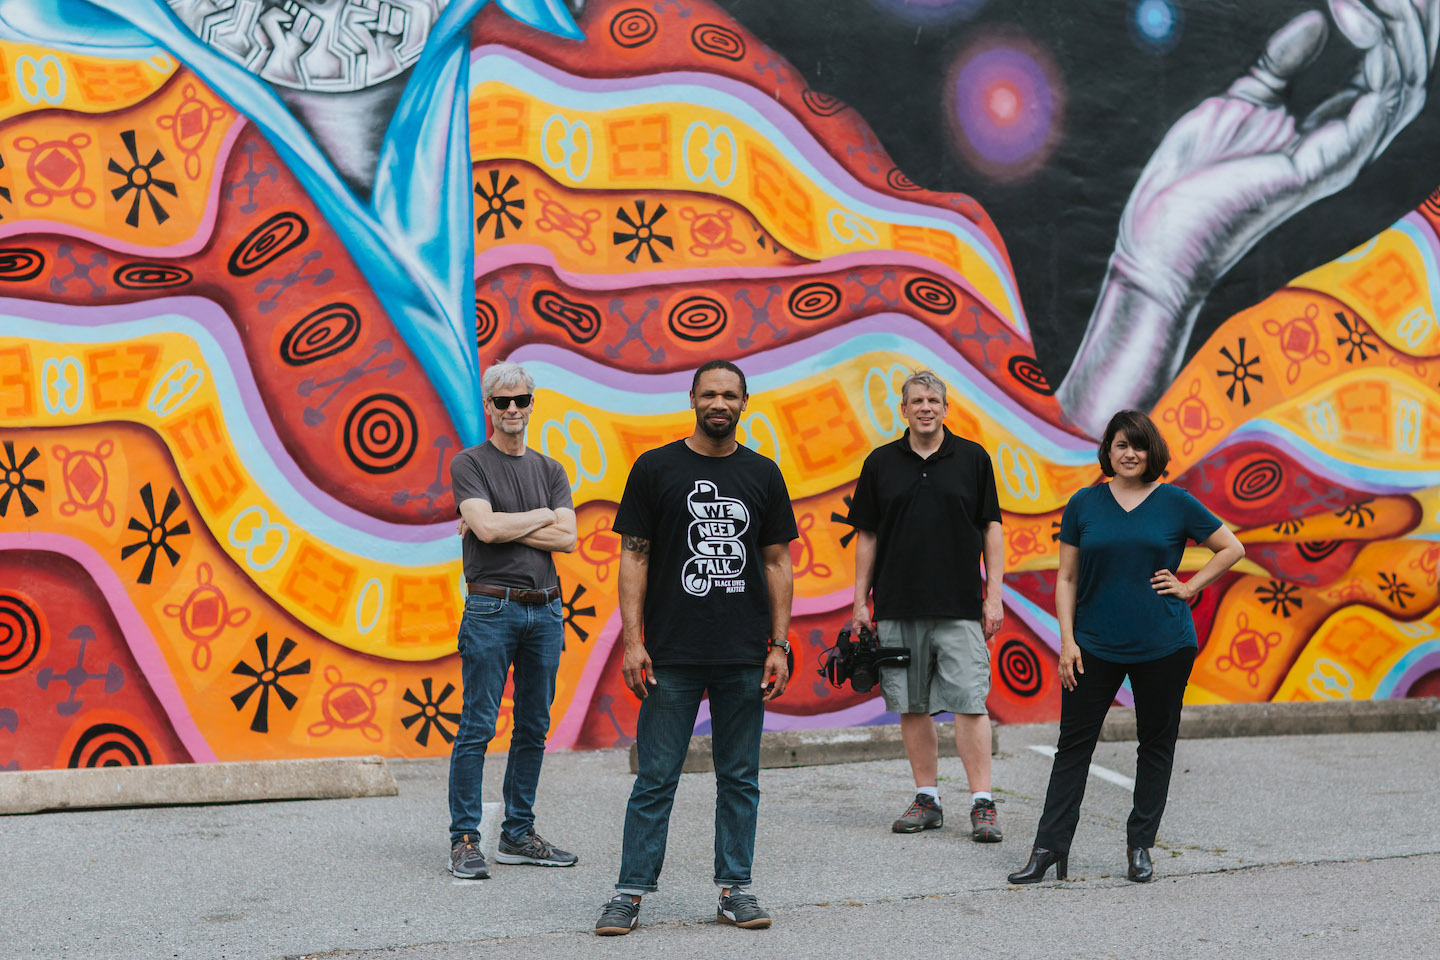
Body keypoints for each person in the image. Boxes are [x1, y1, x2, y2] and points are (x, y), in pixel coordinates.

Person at [594, 360, 798, 936]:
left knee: (740, 777)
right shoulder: (655, 468)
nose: (720, 402)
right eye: (710, 392)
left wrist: (778, 644)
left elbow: (777, 561)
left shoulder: (763, 474)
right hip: (672, 654)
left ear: (744, 402)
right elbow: (633, 555)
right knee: (656, 776)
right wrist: (633, 643)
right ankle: (629, 892)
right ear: (691, 398)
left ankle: (736, 890)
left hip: (744, 652)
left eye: (730, 395)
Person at [1009, 410, 1244, 884]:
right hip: (1092, 644)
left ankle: (1141, 846)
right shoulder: (1083, 504)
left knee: (1155, 744)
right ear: (1108, 452)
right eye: (1121, 445)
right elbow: (1067, 577)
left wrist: (1189, 586)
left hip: (1165, 642)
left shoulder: (1176, 502)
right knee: (1073, 746)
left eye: (1138, 445)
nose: (1130, 453)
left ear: (1151, 451)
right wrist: (1067, 642)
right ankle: (1049, 848)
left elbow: (1231, 547)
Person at [848, 370, 1006, 843]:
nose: (925, 407)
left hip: (960, 605)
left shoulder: (973, 459)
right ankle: (927, 799)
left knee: (970, 703)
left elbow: (991, 529)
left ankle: (982, 803)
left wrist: (993, 595)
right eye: (916, 400)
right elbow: (868, 536)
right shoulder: (880, 464)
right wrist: (860, 601)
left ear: (945, 407)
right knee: (911, 704)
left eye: (933, 400)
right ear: (903, 409)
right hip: (896, 605)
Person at [447, 361, 579, 880]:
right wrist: (542, 517)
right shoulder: (469, 463)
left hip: (545, 608)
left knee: (534, 727)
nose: (511, 410)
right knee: (478, 726)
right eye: (501, 402)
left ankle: (518, 834)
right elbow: (484, 526)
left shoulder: (550, 470)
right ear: (488, 407)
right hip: (490, 609)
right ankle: (464, 839)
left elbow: (567, 539)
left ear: (530, 403)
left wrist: (504, 526)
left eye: (520, 400)